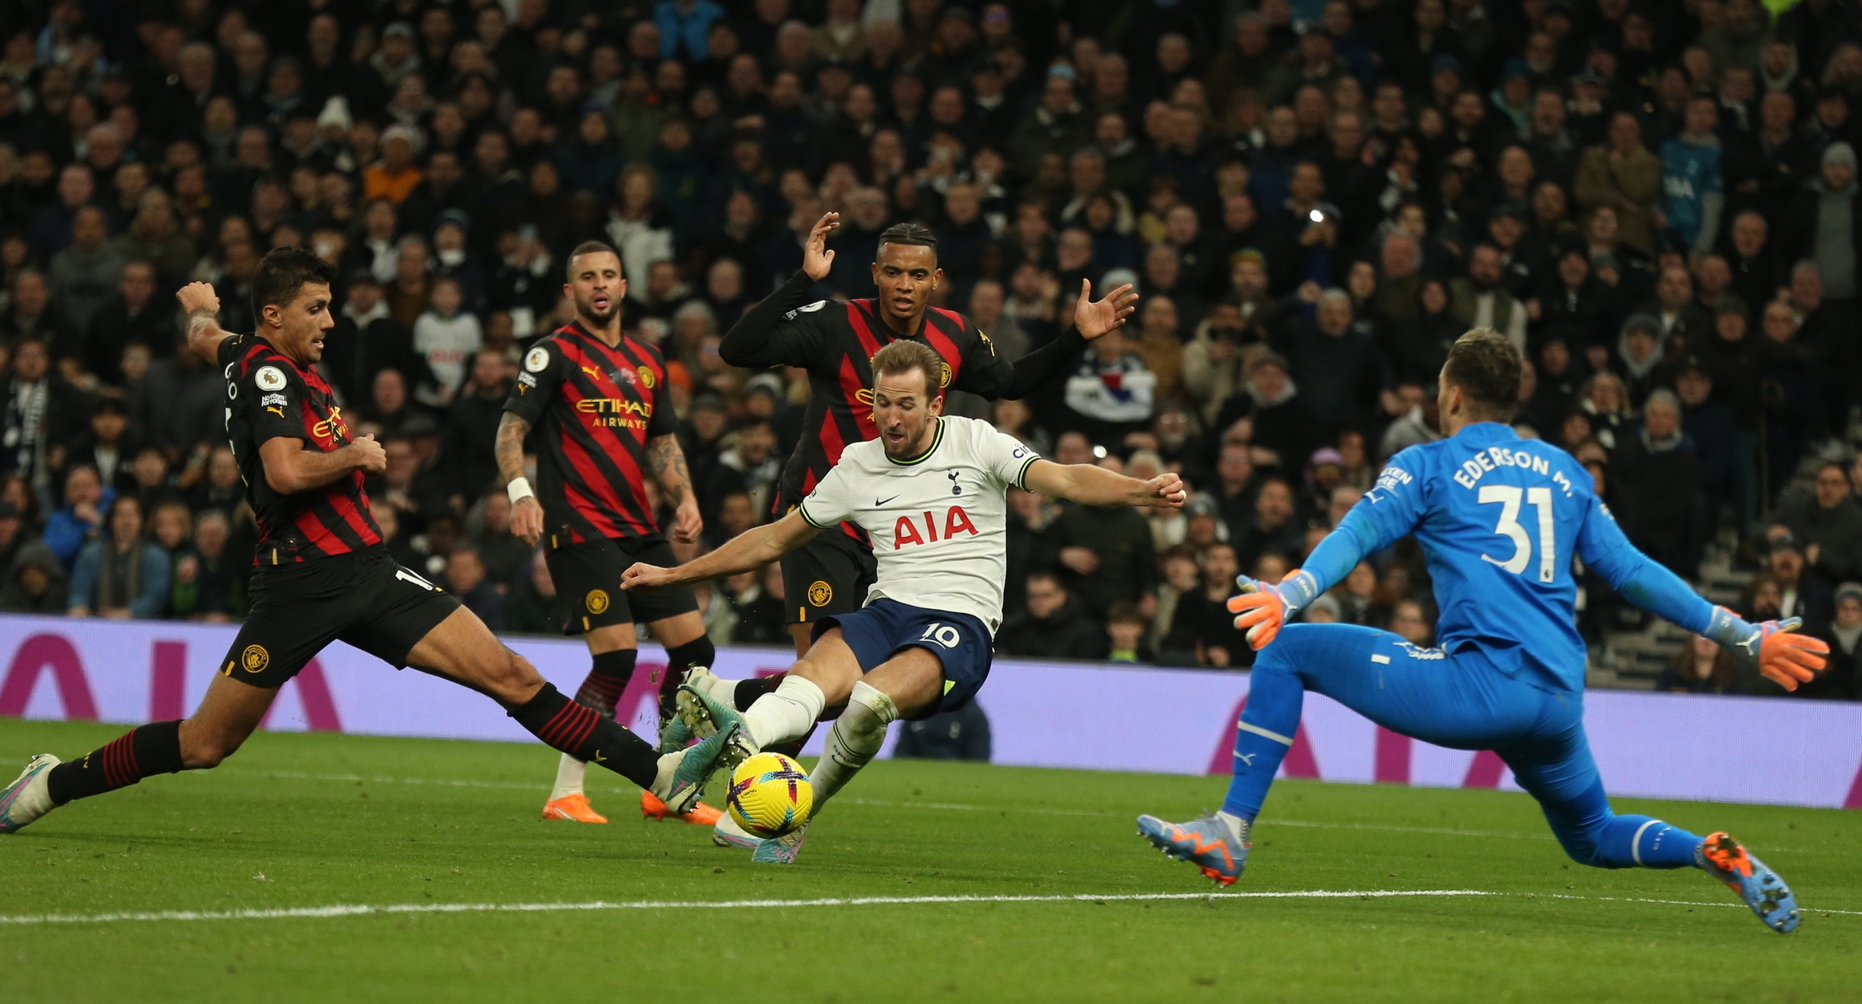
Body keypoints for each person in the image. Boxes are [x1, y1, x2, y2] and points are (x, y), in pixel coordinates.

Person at [0, 251, 743, 836]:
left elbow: (206, 335)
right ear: (275, 316)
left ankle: (661, 773)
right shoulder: (271, 377)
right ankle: (52, 783)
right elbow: (284, 470)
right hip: (300, 584)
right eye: (315, 309)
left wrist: (199, 308)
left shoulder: (244, 350)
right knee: (206, 743)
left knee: (511, 675)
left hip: (370, 573)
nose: (330, 322)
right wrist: (355, 454)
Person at [1136, 329, 1827, 933]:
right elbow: (1633, 572)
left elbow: (1359, 533)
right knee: (1591, 835)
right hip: (1558, 701)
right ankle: (1705, 850)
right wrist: (1744, 635)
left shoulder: (1428, 464)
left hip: (1480, 688)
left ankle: (1230, 831)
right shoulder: (1565, 472)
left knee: (1287, 651)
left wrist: (1290, 593)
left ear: (1454, 395)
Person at [622, 340, 1185, 862]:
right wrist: (677, 574)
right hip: (887, 611)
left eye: (906, 405)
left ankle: (785, 798)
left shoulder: (977, 441)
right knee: (808, 681)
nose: (891, 417)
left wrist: (1139, 491)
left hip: (961, 622)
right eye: (883, 403)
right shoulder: (856, 465)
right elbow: (774, 538)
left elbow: (1065, 480)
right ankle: (711, 748)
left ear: (935, 404)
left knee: (868, 703)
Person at [715, 211, 1136, 663]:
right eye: (893, 272)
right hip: (822, 514)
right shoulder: (835, 323)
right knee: (822, 669)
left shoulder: (954, 333)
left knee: (868, 678)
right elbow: (736, 350)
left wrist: (1076, 336)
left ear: (936, 279)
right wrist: (805, 279)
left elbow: (1011, 382)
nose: (904, 285)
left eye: (917, 275)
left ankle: (733, 696)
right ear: (875, 273)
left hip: (897, 524)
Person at [496, 240, 721, 826]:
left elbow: (662, 442)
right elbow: (510, 430)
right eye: (587, 276)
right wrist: (521, 493)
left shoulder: (649, 360)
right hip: (579, 527)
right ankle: (565, 792)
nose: (599, 284)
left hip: (638, 529)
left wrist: (686, 498)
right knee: (618, 657)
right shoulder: (553, 354)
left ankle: (667, 781)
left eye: (609, 275)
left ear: (624, 286)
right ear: (570, 291)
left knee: (695, 653)